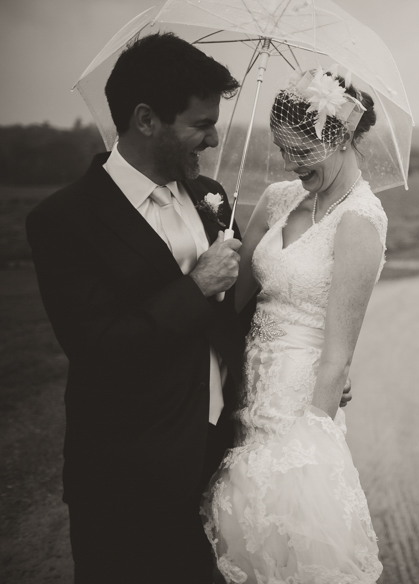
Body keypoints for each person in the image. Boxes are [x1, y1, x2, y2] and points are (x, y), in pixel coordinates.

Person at [26, 33, 351, 582]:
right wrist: (194, 288)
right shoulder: (65, 221)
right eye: (201, 124)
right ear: (147, 119)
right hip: (128, 479)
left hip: (219, 459)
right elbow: (99, 351)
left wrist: (301, 364)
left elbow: (236, 318)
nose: (214, 137)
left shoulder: (211, 198)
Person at [201, 69, 386, 583]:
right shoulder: (279, 200)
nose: (290, 163)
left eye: (302, 151)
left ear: (343, 137)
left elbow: (336, 359)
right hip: (245, 393)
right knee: (241, 542)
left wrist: (307, 456)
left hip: (297, 409)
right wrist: (214, 262)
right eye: (283, 149)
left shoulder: (360, 222)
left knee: (289, 541)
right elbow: (232, 306)